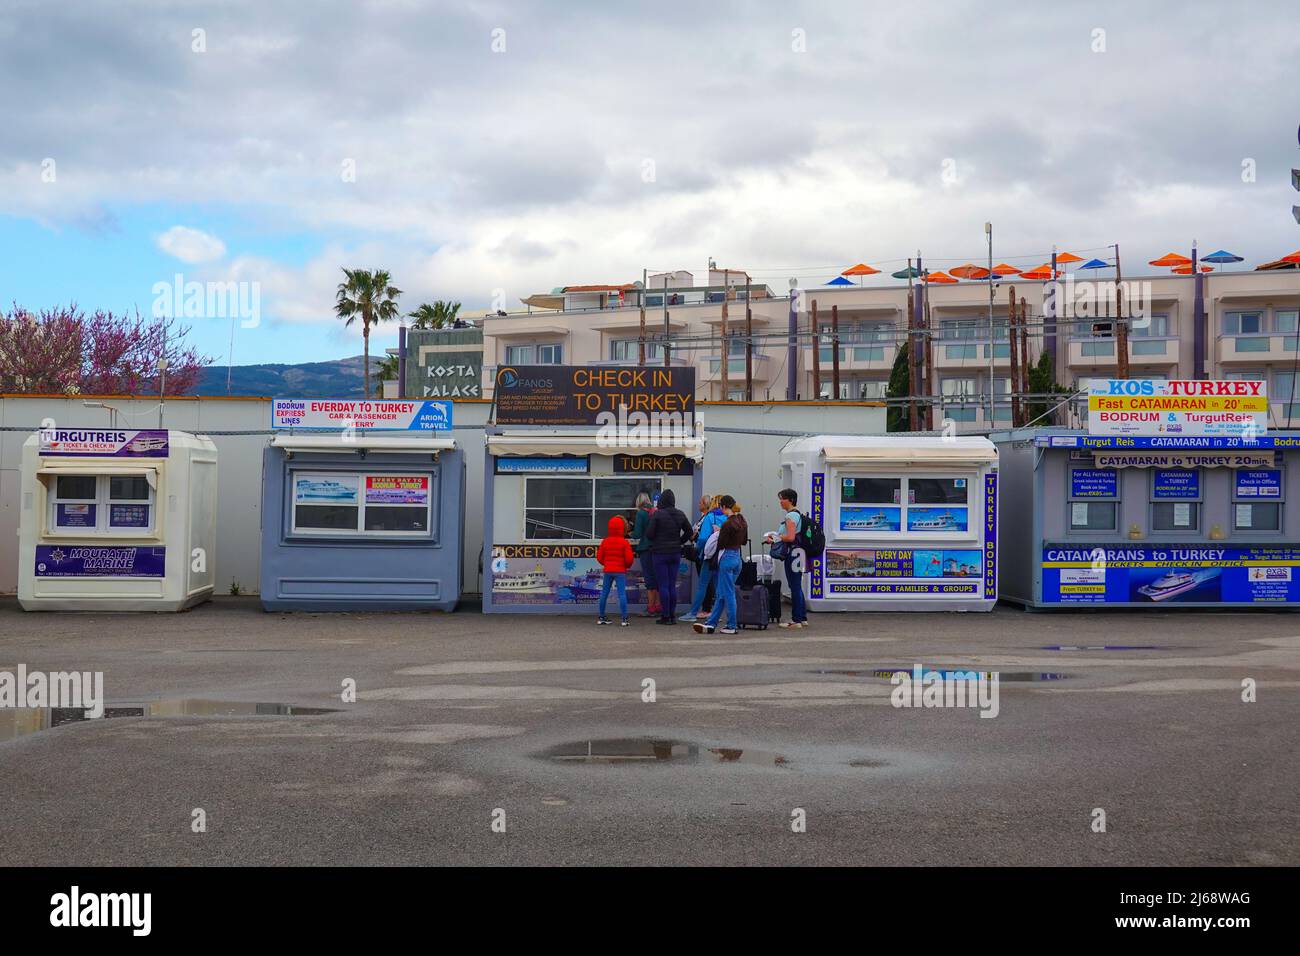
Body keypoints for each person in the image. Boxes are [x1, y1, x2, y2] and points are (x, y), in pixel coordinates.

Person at [694, 496, 746, 635]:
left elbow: (721, 543)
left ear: (723, 507)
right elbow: (744, 540)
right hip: (737, 558)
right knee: (722, 593)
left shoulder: (727, 524)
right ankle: (711, 623)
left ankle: (732, 625)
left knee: (728, 593)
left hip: (727, 558)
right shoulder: (741, 520)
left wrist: (719, 531)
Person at [644, 488, 692, 624]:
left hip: (659, 554)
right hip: (675, 553)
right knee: (671, 585)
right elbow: (689, 532)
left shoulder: (657, 515)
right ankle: (672, 615)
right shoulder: (680, 514)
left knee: (663, 585)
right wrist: (679, 542)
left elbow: (649, 534)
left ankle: (665, 616)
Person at [764, 487, 809, 629]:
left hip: (793, 553)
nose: (780, 502)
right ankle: (802, 618)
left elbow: (790, 537)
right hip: (799, 553)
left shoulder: (790, 517)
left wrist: (776, 538)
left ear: (790, 500)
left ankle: (796, 620)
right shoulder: (797, 515)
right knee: (797, 585)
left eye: (782, 499)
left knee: (794, 586)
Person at [680, 495, 726, 621]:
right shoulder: (726, 518)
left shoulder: (710, 517)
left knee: (703, 585)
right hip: (722, 556)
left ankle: (693, 613)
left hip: (708, 556)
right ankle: (717, 613)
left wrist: (699, 549)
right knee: (718, 586)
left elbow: (703, 538)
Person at [595, 515, 634, 626]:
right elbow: (629, 559)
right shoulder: (624, 542)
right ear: (622, 528)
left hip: (608, 571)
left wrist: (606, 564)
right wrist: (625, 566)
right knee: (621, 594)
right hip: (620, 571)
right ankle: (624, 619)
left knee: (604, 594)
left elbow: (599, 557)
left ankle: (602, 617)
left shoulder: (605, 541)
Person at [630, 492, 659, 617]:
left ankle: (650, 608)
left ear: (638, 502)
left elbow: (637, 534)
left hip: (646, 549)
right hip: (657, 549)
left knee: (649, 579)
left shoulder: (641, 513)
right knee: (657, 578)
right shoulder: (655, 511)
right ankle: (658, 606)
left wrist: (630, 532)